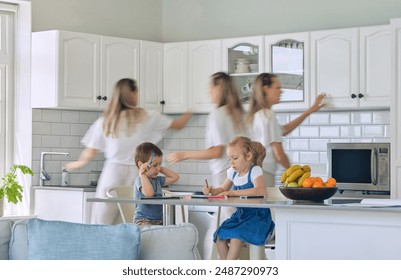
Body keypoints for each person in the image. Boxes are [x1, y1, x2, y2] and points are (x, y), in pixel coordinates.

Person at [65, 78, 191, 224]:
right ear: (132, 93)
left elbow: (90, 152)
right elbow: (178, 124)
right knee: (134, 221)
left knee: (101, 221)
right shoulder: (147, 117)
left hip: (112, 175)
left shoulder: (107, 121)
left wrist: (77, 163)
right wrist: (191, 108)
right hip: (137, 174)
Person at [166, 71, 248, 259]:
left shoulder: (218, 114)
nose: (209, 91)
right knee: (236, 232)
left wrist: (183, 154)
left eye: (212, 87)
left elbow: (217, 151)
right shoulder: (238, 114)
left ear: (219, 88)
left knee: (217, 233)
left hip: (224, 176)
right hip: (243, 178)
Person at [247, 73, 326, 188]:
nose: (281, 91)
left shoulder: (259, 115)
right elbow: (279, 156)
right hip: (265, 172)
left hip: (255, 171)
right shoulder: (268, 115)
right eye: (277, 88)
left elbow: (284, 130)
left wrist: (309, 111)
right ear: (266, 89)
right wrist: (295, 174)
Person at [203, 136, 274, 260]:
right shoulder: (233, 172)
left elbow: (261, 190)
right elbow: (222, 188)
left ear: (248, 156)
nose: (231, 162)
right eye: (229, 158)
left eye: (235, 158)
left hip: (257, 218)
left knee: (236, 237)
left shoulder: (255, 171)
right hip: (240, 216)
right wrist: (211, 190)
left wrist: (234, 193)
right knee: (220, 236)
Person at [133, 142, 179, 226]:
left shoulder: (157, 180)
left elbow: (175, 177)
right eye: (154, 165)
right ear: (141, 165)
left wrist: (159, 168)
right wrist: (142, 173)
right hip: (143, 220)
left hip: (160, 220)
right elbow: (149, 193)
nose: (158, 168)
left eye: (160, 164)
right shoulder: (139, 180)